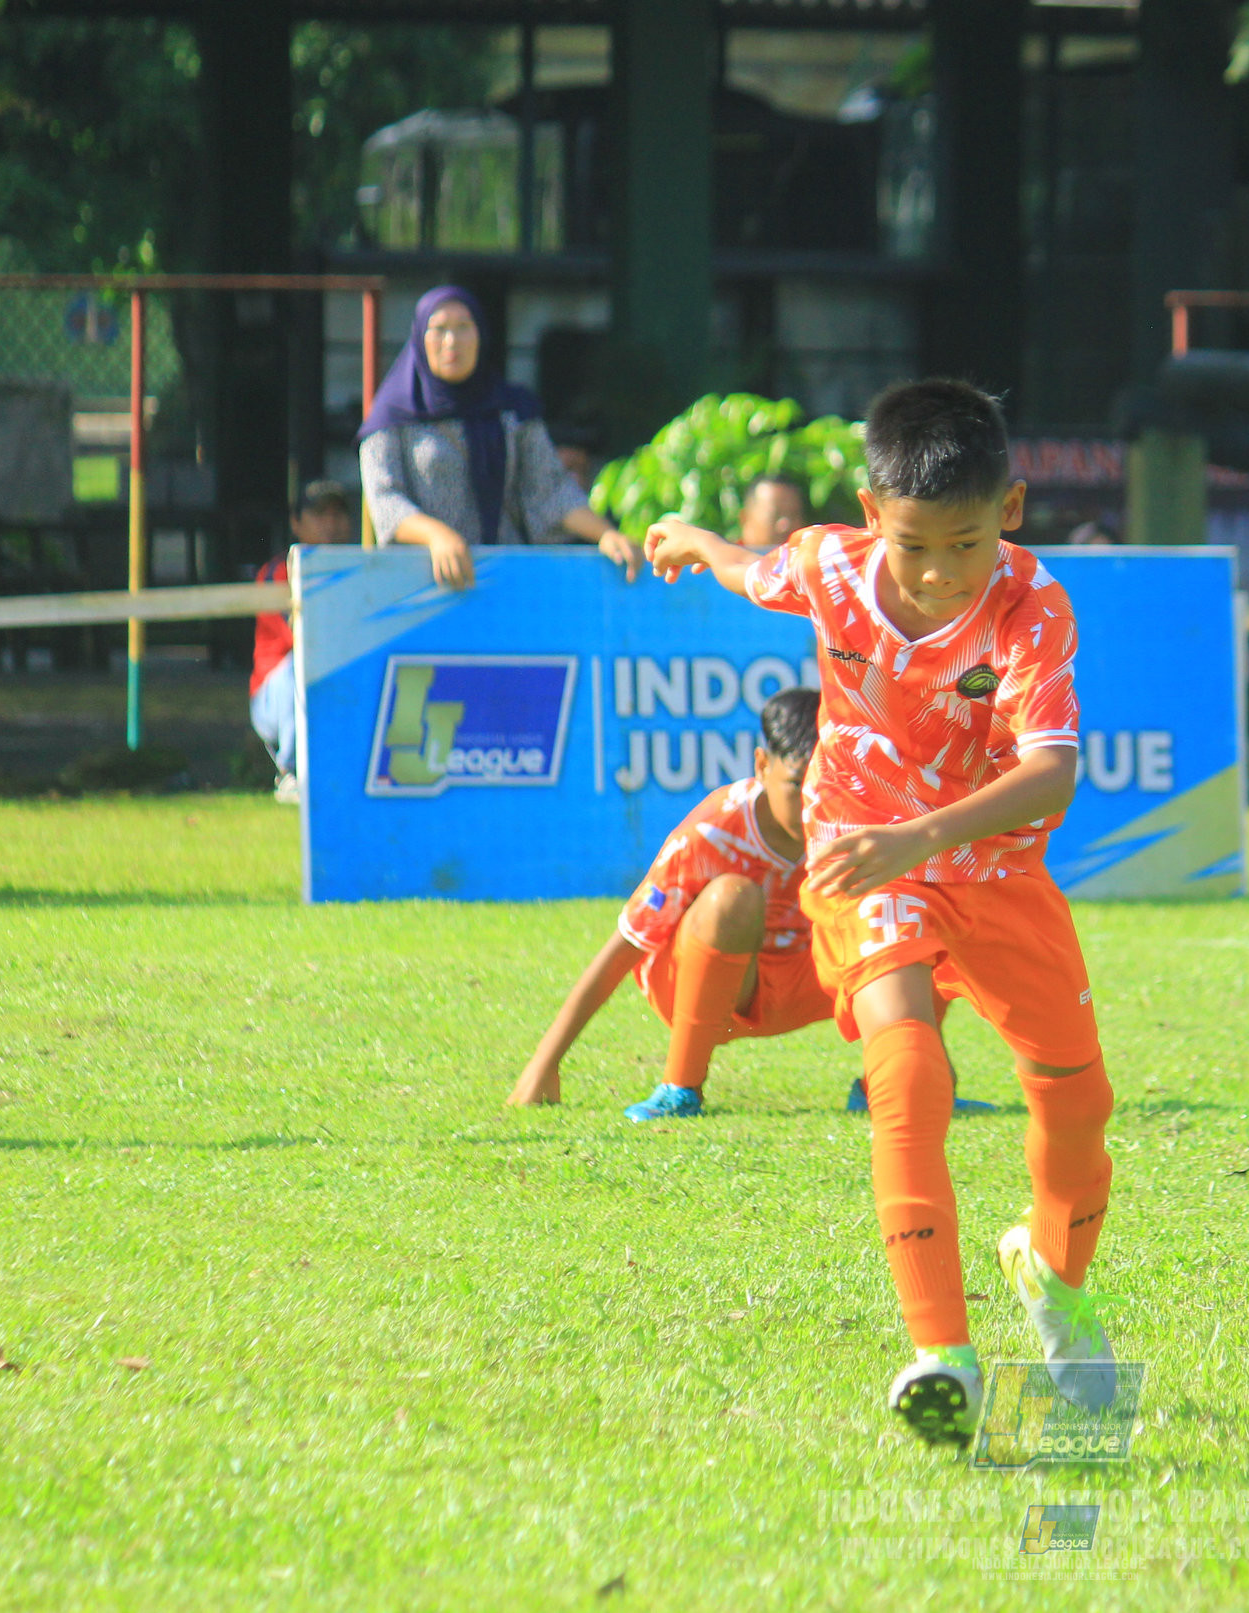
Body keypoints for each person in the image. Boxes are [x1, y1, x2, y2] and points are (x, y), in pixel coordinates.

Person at [643, 378, 1117, 1449]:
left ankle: (1052, 1270)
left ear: (1011, 508)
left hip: (992, 873)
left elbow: (1051, 775)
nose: (941, 573)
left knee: (1078, 1106)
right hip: (864, 850)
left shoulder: (1033, 605)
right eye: (914, 546)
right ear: (870, 516)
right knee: (907, 1068)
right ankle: (940, 1352)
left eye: (965, 542)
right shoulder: (829, 567)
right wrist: (695, 538)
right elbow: (751, 570)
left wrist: (927, 833)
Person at [506, 687, 993, 1121]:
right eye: (798, 785)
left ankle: (889, 1085)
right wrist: (543, 1066)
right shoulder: (714, 829)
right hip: (708, 990)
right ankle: (680, 1087)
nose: (814, 803)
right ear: (762, 765)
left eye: (828, 784)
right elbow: (624, 949)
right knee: (732, 898)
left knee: (917, 903)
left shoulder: (855, 818)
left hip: (810, 980)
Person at [356, 286, 640, 589]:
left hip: (507, 582)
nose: (452, 341)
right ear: (419, 338)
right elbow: (385, 499)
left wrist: (606, 534)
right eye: (438, 329)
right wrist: (437, 537)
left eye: (464, 327)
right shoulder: (390, 418)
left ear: (480, 336)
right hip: (418, 587)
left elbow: (551, 490)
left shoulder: (512, 410)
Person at [249, 481, 355, 805]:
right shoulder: (277, 572)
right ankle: (289, 773)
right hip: (275, 698)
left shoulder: (361, 569)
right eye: (320, 514)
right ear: (296, 523)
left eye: (338, 514)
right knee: (303, 663)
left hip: (337, 681)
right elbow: (309, 639)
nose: (330, 523)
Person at [737, 474, 808, 552]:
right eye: (774, 516)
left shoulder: (808, 560)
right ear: (745, 518)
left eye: (793, 515)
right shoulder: (726, 561)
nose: (785, 526)